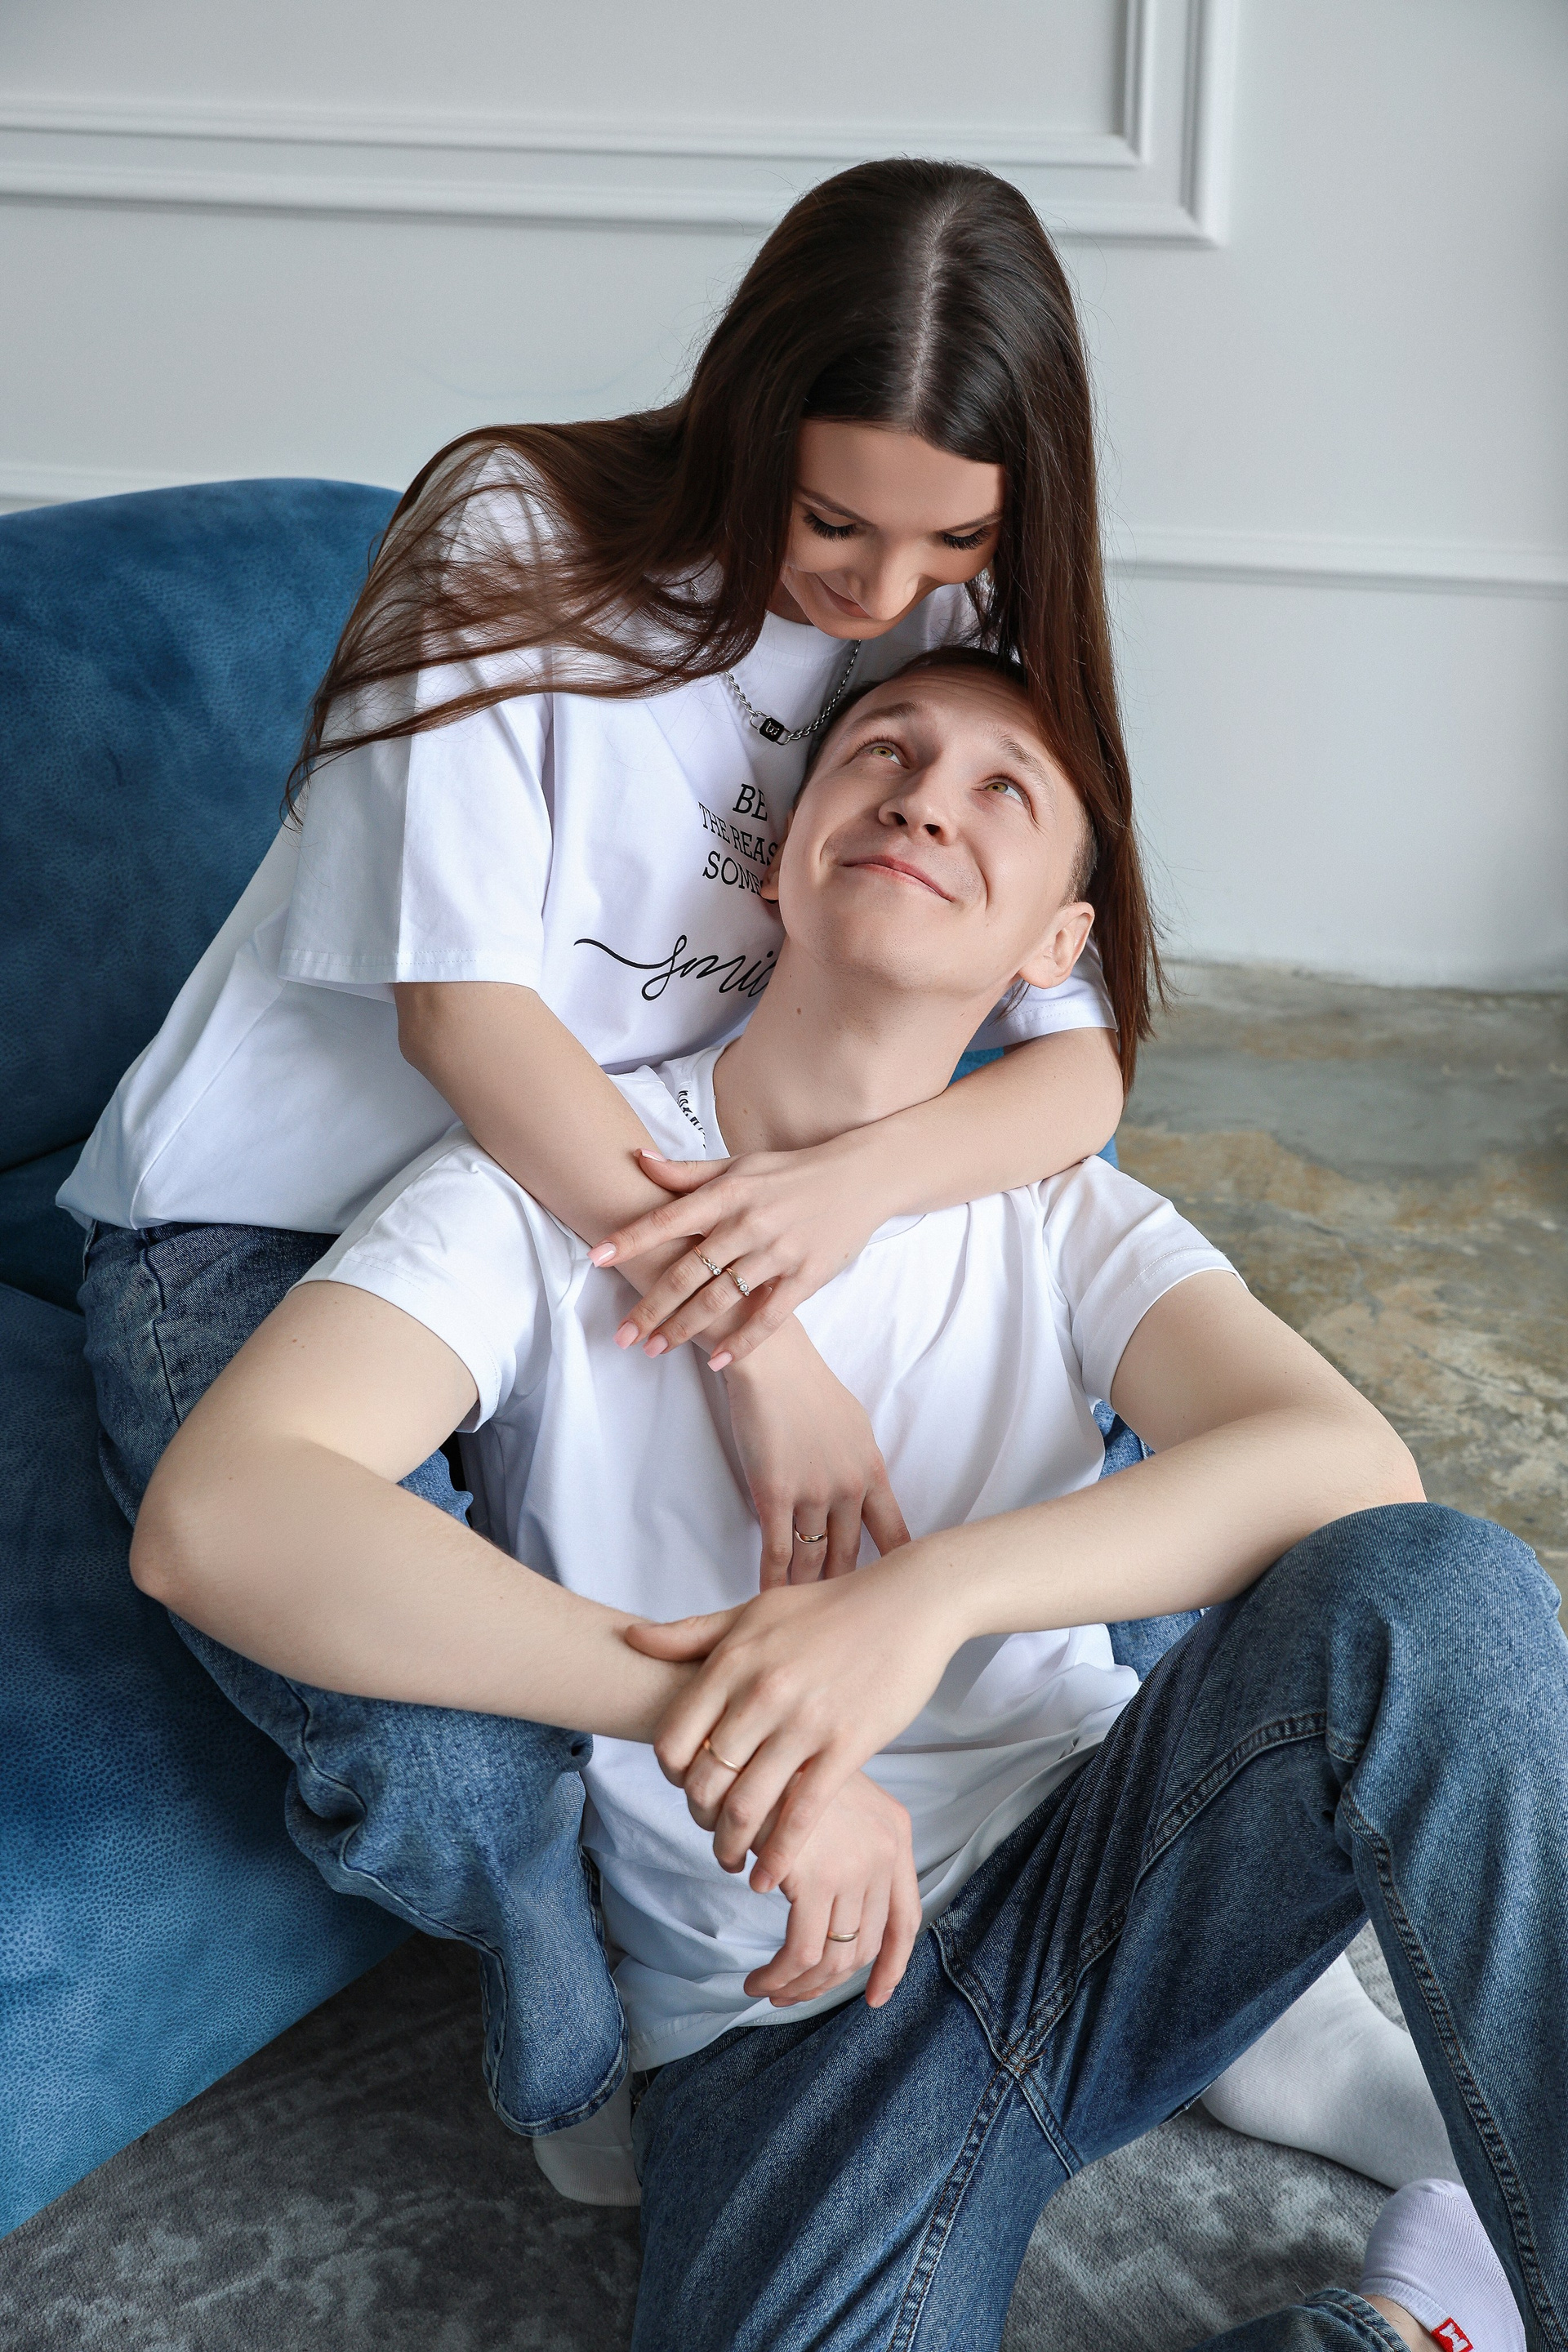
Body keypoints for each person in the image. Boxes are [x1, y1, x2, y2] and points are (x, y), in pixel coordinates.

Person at [130, 652, 1553, 2352]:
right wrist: (733, 1717)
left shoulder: (1051, 1210)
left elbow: (1354, 1475)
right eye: (883, 753)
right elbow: (221, 1513)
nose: (928, 800)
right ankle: (1409, 2324)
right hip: (779, 2014)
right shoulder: (544, 1189)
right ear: (780, 862)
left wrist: (920, 1600)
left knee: (1444, 1598)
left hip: (1106, 1867)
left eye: (1001, 790)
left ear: (1055, 946)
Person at [65, 156, 1145, 1596]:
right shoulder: (513, 532)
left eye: (956, 536)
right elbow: (461, 1016)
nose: (885, 594)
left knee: (1083, 1585)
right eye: (832, 522)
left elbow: (1076, 1074)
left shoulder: (957, 628)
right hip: (285, 1218)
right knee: (428, 1687)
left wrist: (846, 1194)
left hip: (652, 1212)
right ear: (747, 421)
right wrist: (759, 1341)